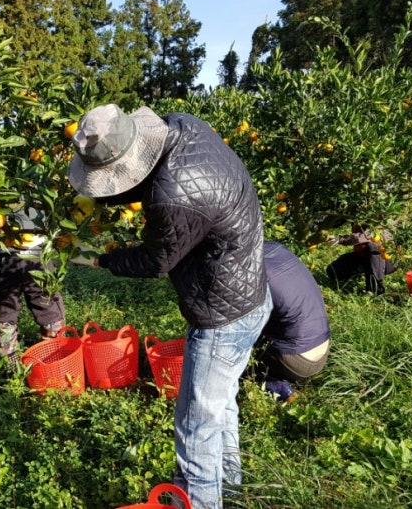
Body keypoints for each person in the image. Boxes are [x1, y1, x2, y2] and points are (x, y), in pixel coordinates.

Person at [67, 103, 272, 509]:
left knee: (195, 427)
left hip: (222, 317)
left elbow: (156, 261)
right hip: (253, 294)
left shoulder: (169, 198)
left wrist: (99, 259)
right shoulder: (184, 126)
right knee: (220, 404)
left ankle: (202, 500)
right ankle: (229, 487)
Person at [0, 205, 65, 372]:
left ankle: (10, 367)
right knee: (50, 310)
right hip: (36, 259)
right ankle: (53, 361)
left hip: (5, 260)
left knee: (4, 314)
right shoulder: (44, 187)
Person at [254, 241, 331, 403]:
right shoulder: (277, 248)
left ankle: (274, 385)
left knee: (232, 354)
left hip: (296, 359)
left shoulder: (250, 269)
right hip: (322, 350)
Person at [326, 225, 398, 295]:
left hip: (387, 260)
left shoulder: (383, 216)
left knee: (374, 246)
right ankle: (357, 274)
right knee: (333, 270)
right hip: (363, 256)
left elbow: (370, 236)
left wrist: (341, 239)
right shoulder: (357, 216)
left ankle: (375, 289)